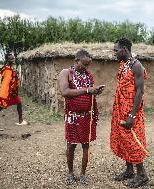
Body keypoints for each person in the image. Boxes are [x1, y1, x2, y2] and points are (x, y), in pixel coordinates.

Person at [58, 49, 105, 185]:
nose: (86, 67)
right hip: (72, 116)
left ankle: (83, 174)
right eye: (84, 64)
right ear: (76, 61)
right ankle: (70, 173)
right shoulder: (66, 73)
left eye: (88, 65)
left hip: (86, 116)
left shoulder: (88, 75)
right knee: (71, 145)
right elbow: (65, 92)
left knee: (86, 145)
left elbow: (90, 92)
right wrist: (87, 90)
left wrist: (95, 91)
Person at [110, 38, 149, 188]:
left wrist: (132, 115)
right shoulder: (124, 65)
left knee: (133, 140)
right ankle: (129, 170)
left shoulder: (136, 65)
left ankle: (142, 175)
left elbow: (140, 91)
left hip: (132, 110)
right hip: (121, 109)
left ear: (125, 50)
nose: (114, 53)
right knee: (124, 139)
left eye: (116, 50)